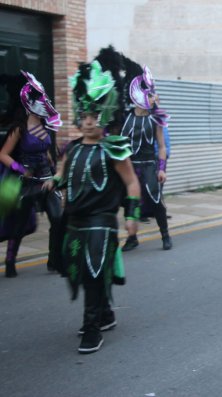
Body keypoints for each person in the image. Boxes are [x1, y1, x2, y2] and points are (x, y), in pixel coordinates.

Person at [47, 59, 140, 354]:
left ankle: (91, 328)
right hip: (74, 220)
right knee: (79, 271)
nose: (89, 121)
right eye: (85, 115)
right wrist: (51, 183)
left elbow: (132, 183)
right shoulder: (71, 149)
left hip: (102, 220)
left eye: (95, 115)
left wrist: (132, 215)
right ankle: (105, 313)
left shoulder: (114, 148)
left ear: (106, 114)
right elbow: (63, 178)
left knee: (94, 271)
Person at [0, 71, 63, 278]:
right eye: (38, 98)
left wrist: (55, 166)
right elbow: (3, 155)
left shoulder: (47, 126)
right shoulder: (19, 129)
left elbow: (45, 151)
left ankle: (54, 260)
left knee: (58, 218)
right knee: (18, 225)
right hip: (26, 181)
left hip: (46, 179)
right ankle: (10, 261)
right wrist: (19, 169)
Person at [120, 60, 172, 251]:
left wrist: (161, 169)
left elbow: (161, 146)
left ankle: (165, 235)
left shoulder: (155, 118)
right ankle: (132, 238)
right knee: (130, 202)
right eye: (149, 94)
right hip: (130, 166)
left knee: (156, 200)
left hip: (149, 165)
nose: (153, 98)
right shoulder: (126, 117)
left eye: (152, 94)